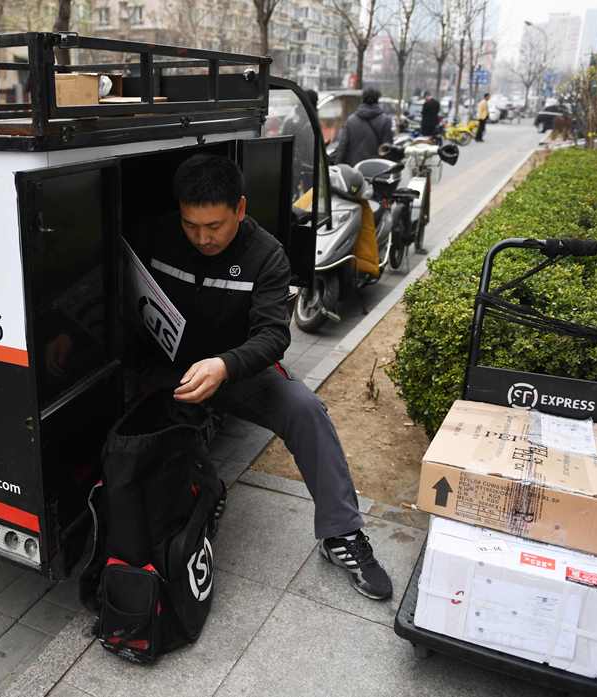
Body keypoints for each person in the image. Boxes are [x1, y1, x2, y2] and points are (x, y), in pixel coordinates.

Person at [134, 155, 394, 600]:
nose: (202, 238)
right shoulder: (157, 235)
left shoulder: (267, 254)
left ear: (239, 208)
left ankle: (341, 534)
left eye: (213, 225)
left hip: (237, 371)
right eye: (191, 225)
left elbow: (274, 336)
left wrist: (225, 366)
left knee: (306, 410)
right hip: (170, 369)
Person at [333, 87, 393, 166]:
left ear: (363, 99)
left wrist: (336, 166)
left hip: (354, 170)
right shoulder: (386, 121)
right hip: (377, 170)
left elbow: (342, 147)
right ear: (377, 99)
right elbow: (387, 150)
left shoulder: (351, 120)